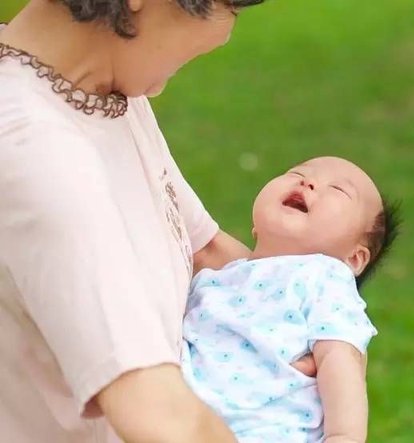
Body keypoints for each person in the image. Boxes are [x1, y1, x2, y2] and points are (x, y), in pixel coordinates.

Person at [0, 1, 311, 442]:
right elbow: (160, 417)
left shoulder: (99, 85)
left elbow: (203, 248)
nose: (227, 32)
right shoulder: (36, 150)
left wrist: (313, 322)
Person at [182, 156, 400, 442]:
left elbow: (340, 358)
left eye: (338, 190)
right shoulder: (215, 280)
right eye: (297, 173)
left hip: (266, 431)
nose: (307, 182)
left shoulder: (324, 278)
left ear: (354, 258)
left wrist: (342, 435)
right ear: (256, 228)